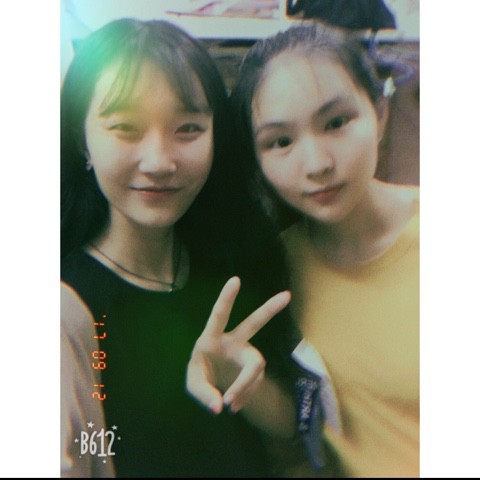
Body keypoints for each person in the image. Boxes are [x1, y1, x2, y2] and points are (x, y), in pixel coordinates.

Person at [60, 18, 301, 478]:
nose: (159, 162)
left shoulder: (233, 265)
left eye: (188, 128)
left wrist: (239, 382)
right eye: (125, 127)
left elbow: (294, 432)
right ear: (81, 140)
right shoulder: (67, 309)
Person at [228, 23, 420, 477]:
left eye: (336, 123)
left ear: (380, 115)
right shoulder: (275, 268)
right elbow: (303, 427)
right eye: (280, 142)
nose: (317, 164)